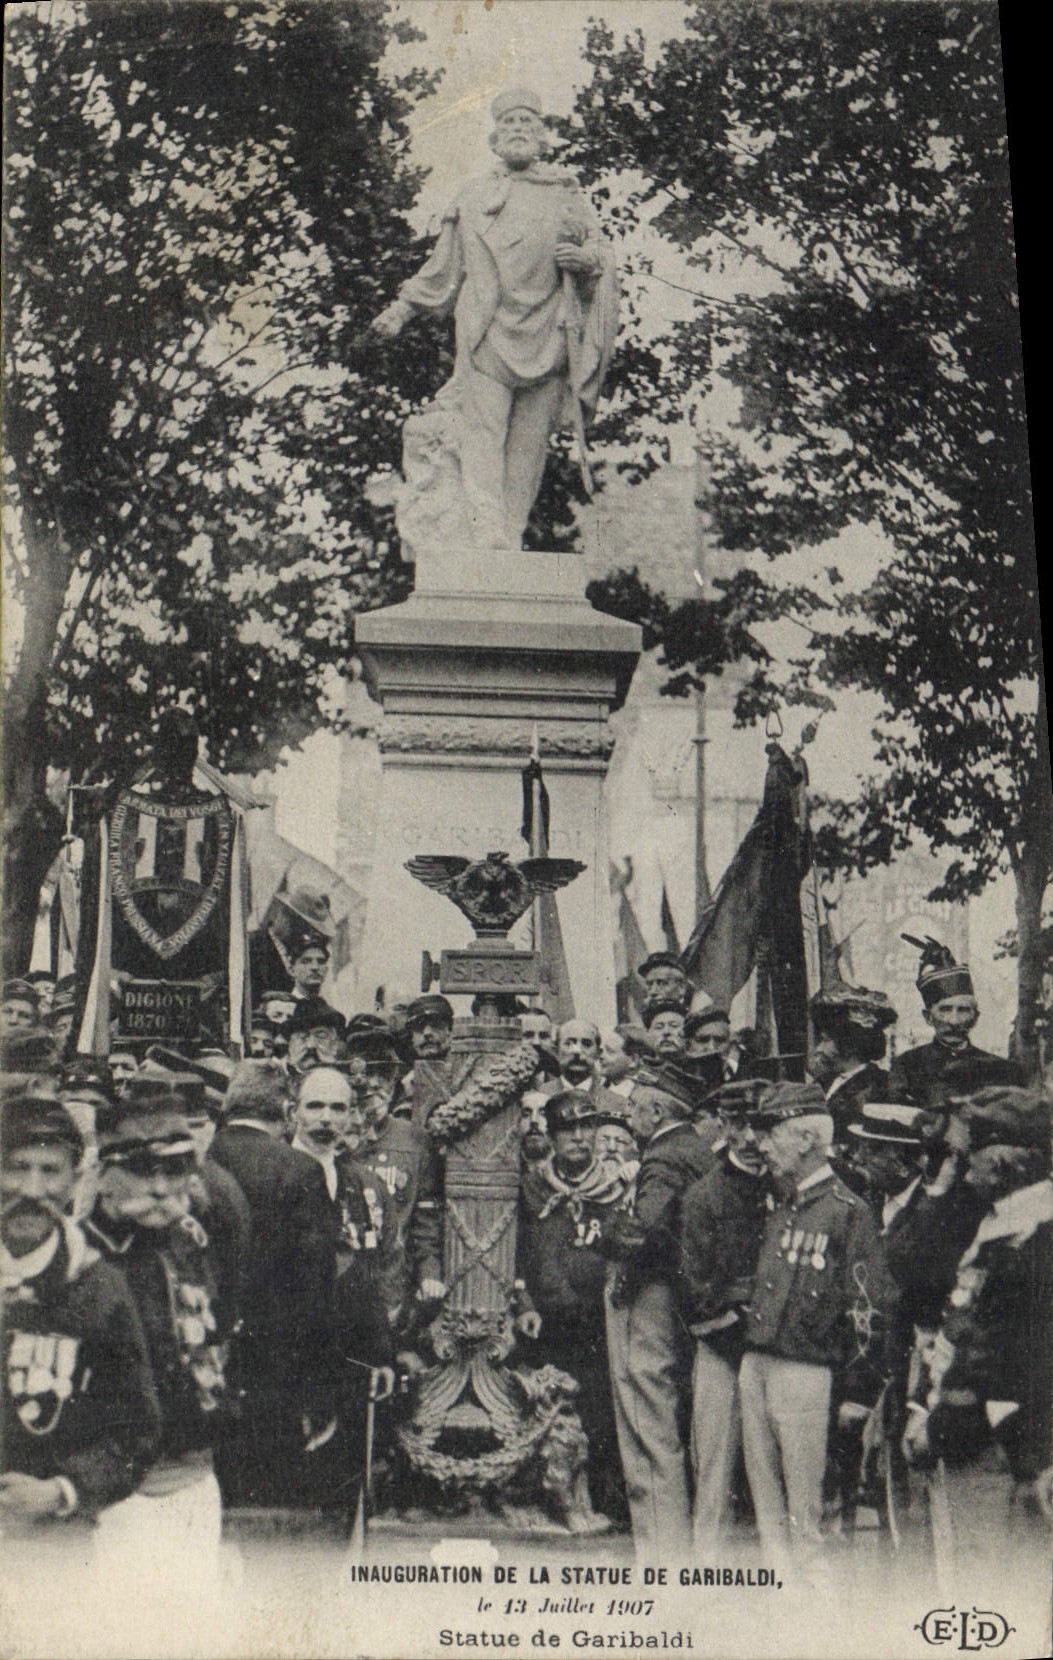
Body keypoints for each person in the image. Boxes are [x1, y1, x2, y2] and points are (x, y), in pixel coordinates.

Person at [371, 87, 617, 551]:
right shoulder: (473, 195)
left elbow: (600, 257)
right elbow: (443, 268)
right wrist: (401, 309)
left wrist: (585, 262)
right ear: (494, 139)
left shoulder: (567, 195)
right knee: (483, 433)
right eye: (509, 123)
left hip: (549, 334)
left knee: (528, 446)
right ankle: (485, 529)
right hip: (488, 332)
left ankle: (511, 531)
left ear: (544, 137)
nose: (519, 129)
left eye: (528, 122)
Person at [738, 1083, 893, 1589]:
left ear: (806, 1138)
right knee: (767, 1507)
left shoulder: (848, 1211)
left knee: (807, 1512)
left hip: (807, 1372)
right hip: (757, 1363)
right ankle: (781, 1605)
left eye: (771, 1133)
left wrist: (860, 1390)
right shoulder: (783, 1204)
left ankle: (817, 1614)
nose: (761, 1144)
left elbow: (870, 1307)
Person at [84, 1079, 234, 1585]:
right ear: (104, 1175)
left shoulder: (189, 1240)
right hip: (115, 1493)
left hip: (192, 1475)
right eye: (143, 1170)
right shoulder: (80, 1258)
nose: (161, 1187)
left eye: (174, 1170)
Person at [904, 1088, 1053, 1583]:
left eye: (971, 1160)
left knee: (990, 1589)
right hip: (979, 1435)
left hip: (1002, 1447)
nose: (964, 1173)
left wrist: (943, 1426)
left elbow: (1004, 1355)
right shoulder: (1007, 1222)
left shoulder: (1035, 1237)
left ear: (1005, 1162)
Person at [1, 1095, 160, 1530]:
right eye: (16, 1167)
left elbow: (136, 1433)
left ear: (74, 1182)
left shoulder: (99, 1287)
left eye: (49, 1171)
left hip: (52, 1547)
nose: (31, 1190)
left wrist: (60, 1491)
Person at [208, 1060, 338, 1507]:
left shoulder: (201, 1161)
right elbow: (317, 1289)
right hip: (276, 1370)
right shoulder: (300, 1171)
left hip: (206, 1357)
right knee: (268, 1501)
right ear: (287, 1110)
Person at [604, 1066, 716, 1557]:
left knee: (645, 1414)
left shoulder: (665, 1156)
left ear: (656, 1110)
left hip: (648, 1296)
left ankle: (660, 1552)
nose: (629, 1116)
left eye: (634, 1107)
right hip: (677, 1294)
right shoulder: (695, 1149)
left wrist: (604, 1233)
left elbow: (641, 1232)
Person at [518, 1089, 634, 1527]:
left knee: (603, 1412)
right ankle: (553, 1501)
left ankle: (606, 1504)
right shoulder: (533, 1184)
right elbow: (517, 1252)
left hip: (600, 1319)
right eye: (568, 1129)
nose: (580, 1137)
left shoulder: (618, 1183)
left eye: (587, 1127)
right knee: (548, 1409)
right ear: (551, 1134)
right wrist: (523, 1302)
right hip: (546, 1321)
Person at [287, 1066, 396, 1513]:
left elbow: (385, 1266)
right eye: (315, 1106)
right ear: (293, 1112)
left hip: (350, 1356)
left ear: (353, 1116)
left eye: (337, 1108)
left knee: (345, 1491)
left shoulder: (365, 1186)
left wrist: (381, 1350)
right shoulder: (276, 1175)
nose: (326, 1118)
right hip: (288, 1357)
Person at [679, 1079, 773, 1553]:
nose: (754, 1140)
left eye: (763, 1126)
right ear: (726, 1126)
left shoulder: (785, 1187)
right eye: (742, 1126)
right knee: (714, 1466)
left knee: (774, 1469)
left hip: (779, 1349)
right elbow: (697, 1288)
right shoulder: (704, 1197)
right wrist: (744, 1331)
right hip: (724, 1346)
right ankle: (706, 1570)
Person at [889, 937, 1024, 1108]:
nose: (954, 1021)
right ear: (928, 1017)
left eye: (963, 1010)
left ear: (975, 1018)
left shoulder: (1002, 1070)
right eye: (945, 1010)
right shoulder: (907, 1066)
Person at [807, 983, 897, 1143]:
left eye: (826, 1040)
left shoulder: (880, 1085)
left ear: (849, 1044)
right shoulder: (823, 1081)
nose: (818, 1049)